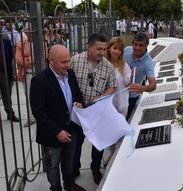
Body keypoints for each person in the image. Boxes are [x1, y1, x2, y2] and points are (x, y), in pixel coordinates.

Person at [30, 44, 86, 191]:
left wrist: (79, 103)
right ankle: (55, 187)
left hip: (71, 128)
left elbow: (78, 94)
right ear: (51, 60)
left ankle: (69, 183)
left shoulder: (71, 74)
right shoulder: (39, 81)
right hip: (52, 133)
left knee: (69, 160)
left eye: (68, 61)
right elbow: (38, 112)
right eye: (63, 62)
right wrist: (57, 131)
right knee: (53, 165)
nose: (67, 65)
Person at [70, 33, 116, 185]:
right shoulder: (75, 61)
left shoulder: (108, 66)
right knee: (76, 143)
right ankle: (74, 168)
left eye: (104, 49)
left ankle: (95, 169)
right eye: (98, 49)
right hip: (78, 112)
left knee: (98, 144)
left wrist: (100, 97)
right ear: (89, 47)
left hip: (97, 112)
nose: (102, 53)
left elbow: (112, 87)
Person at [124, 32, 156, 120]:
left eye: (141, 45)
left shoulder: (148, 63)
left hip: (131, 97)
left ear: (146, 46)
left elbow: (153, 85)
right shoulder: (127, 50)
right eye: (135, 44)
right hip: (117, 92)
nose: (137, 48)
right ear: (132, 43)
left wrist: (142, 88)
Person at [15, 22, 36, 127]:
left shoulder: (39, 42)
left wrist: (28, 59)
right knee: (29, 96)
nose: (29, 33)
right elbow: (17, 58)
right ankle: (31, 118)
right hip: (26, 73)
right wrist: (30, 60)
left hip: (38, 72)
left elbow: (43, 54)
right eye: (28, 31)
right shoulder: (21, 43)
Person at [106, 37, 131, 117]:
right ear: (109, 48)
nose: (117, 51)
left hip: (122, 103)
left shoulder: (124, 65)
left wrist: (131, 76)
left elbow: (127, 83)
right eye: (115, 48)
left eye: (119, 49)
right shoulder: (104, 64)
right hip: (108, 105)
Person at [0, 36, 20, 122]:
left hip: (5, 72)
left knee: (7, 95)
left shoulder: (7, 42)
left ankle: (10, 114)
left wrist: (12, 74)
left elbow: (11, 58)